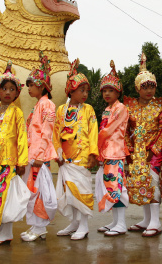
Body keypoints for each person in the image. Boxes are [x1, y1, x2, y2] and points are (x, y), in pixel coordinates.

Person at [124, 52, 162, 237]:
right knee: (140, 184)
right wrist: (129, 151)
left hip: (153, 153)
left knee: (153, 184)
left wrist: (154, 150)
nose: (149, 90)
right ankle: (147, 220)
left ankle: (156, 222)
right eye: (145, 87)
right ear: (137, 88)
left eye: (152, 86)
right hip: (137, 153)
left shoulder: (159, 107)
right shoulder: (130, 107)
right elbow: (125, 131)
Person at [0, 61, 29, 245]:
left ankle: (6, 232)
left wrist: (22, 161)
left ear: (17, 93)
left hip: (9, 163)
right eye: (5, 89)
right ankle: (0, 230)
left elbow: (21, 137)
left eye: (12, 89)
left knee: (7, 197)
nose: (8, 92)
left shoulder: (17, 112)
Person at [53, 58, 99, 240]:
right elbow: (56, 133)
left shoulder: (88, 109)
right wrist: (57, 154)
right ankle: (74, 223)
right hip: (66, 158)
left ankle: (84, 226)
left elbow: (94, 132)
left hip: (82, 157)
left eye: (87, 90)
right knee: (69, 192)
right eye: (82, 90)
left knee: (82, 191)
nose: (85, 93)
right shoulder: (61, 110)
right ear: (71, 90)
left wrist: (93, 153)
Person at [20, 52, 58, 242]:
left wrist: (40, 155)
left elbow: (47, 132)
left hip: (39, 157)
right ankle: (35, 225)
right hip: (33, 155)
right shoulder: (37, 106)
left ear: (42, 86)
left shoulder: (48, 105)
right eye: (28, 85)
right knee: (33, 191)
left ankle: (40, 227)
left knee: (40, 191)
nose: (28, 88)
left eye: (32, 84)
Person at [95, 60, 130, 236]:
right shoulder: (108, 109)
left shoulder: (121, 108)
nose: (107, 93)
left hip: (115, 153)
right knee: (111, 187)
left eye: (111, 90)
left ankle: (122, 223)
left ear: (118, 92)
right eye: (105, 90)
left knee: (116, 188)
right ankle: (116, 222)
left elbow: (107, 131)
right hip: (107, 153)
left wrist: (97, 145)